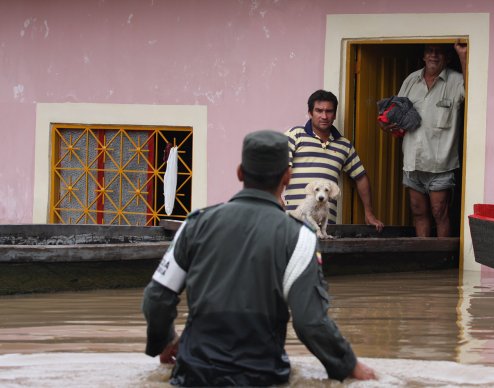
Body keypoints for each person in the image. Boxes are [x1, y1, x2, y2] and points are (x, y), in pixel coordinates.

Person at [141, 130, 376, 386]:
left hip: (192, 374)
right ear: (287, 176)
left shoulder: (195, 225)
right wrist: (349, 364)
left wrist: (164, 342)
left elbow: (156, 298)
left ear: (240, 172)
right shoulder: (299, 237)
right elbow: (310, 323)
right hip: (264, 376)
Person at [380, 41, 467, 237]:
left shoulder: (456, 81)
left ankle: (442, 262)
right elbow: (397, 111)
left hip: (441, 164)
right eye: (430, 51)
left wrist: (463, 55)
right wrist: (386, 124)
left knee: (440, 213)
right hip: (412, 162)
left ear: (447, 58)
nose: (434, 56)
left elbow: (475, 92)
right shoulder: (411, 80)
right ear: (424, 56)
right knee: (418, 212)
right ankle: (424, 255)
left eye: (439, 52)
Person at [284, 89, 384, 232]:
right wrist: (276, 199)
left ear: (335, 114)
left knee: (322, 255)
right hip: (295, 222)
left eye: (329, 111)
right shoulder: (295, 135)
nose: (324, 116)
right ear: (310, 113)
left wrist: (369, 213)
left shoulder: (344, 145)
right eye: (319, 111)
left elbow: (361, 178)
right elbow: (278, 166)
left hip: (325, 225)